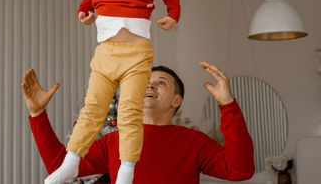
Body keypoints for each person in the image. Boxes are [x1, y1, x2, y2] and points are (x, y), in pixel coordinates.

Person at [51, 0, 181, 183]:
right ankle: (72, 161)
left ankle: (126, 170)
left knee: (129, 112)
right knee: (92, 109)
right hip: (106, 54)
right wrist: (84, 10)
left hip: (136, 56)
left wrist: (173, 14)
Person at [22, 61, 255, 184]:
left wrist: (228, 104)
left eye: (161, 82)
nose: (150, 85)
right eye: (145, 82)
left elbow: (240, 170)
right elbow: (59, 166)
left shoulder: (194, 141)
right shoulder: (113, 141)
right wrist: (38, 113)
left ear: (177, 100)